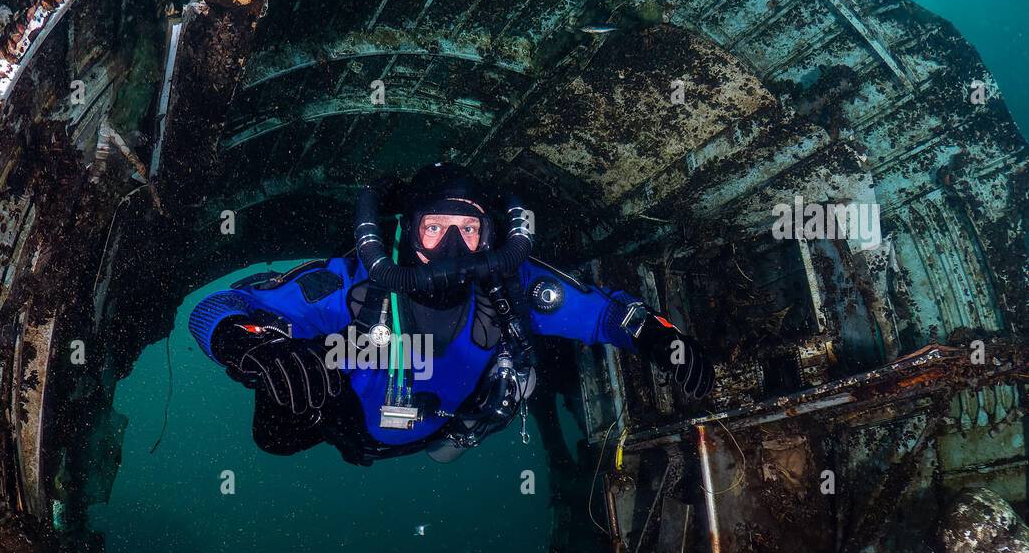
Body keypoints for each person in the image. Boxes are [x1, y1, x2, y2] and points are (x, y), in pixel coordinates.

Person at [188, 163, 714, 465]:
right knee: (272, 437)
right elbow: (219, 306)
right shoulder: (351, 286)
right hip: (343, 424)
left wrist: (661, 340)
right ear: (405, 230)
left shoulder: (509, 287)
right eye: (435, 229)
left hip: (443, 433)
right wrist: (250, 342)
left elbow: (604, 315)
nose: (452, 248)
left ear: (490, 237)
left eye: (469, 230)